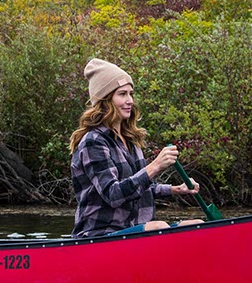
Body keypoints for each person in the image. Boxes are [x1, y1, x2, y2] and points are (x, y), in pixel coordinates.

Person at [70, 58, 204, 238]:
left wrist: (175, 189)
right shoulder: (93, 142)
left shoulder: (131, 140)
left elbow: (139, 185)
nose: (130, 101)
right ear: (105, 100)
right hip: (101, 235)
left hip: (136, 230)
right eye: (122, 94)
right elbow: (114, 194)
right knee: (159, 227)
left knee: (197, 225)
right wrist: (155, 166)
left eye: (131, 93)